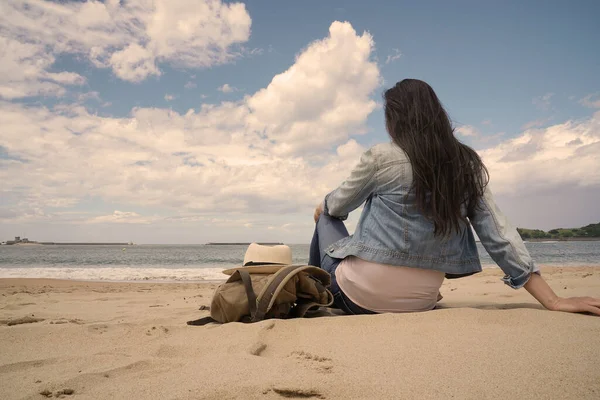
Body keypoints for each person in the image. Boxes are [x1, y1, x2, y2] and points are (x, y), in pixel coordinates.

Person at [309, 78, 600, 316]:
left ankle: (312, 291)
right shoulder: (467, 165)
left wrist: (323, 205)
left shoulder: (380, 157)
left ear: (393, 120)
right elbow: (499, 235)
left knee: (326, 216)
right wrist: (552, 300)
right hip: (420, 302)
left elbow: (338, 204)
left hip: (358, 297)